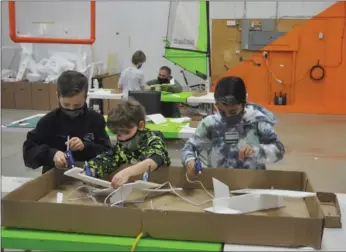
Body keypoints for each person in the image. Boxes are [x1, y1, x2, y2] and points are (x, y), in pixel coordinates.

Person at [181, 76, 285, 177]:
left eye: (233, 111)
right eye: (222, 111)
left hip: (253, 184)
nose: (228, 116)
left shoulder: (256, 121)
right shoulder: (210, 124)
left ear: (244, 103)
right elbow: (189, 148)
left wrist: (256, 150)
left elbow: (279, 150)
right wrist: (190, 160)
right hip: (220, 184)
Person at [23, 70, 112, 174]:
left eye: (77, 106)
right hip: (54, 178)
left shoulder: (96, 120)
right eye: (66, 105)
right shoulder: (48, 122)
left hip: (88, 176)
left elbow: (108, 152)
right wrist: (52, 154)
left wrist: (86, 146)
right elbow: (29, 153)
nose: (71, 110)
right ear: (58, 96)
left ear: (86, 97)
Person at [87, 99, 171, 188]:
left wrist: (127, 172)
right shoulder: (120, 147)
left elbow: (156, 159)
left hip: (159, 186)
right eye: (118, 135)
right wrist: (91, 169)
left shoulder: (153, 138)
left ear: (140, 125)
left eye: (127, 132)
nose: (123, 138)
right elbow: (107, 159)